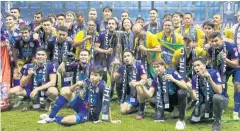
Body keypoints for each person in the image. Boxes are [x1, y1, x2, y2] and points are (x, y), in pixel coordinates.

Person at [37, 66, 121, 125]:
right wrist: (77, 84)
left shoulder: (103, 87)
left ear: (100, 77)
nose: (93, 77)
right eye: (92, 74)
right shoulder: (87, 81)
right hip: (82, 106)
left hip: (88, 114)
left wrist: (111, 120)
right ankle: (50, 117)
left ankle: (55, 119)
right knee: (65, 90)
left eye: (95, 75)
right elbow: (71, 89)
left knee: (66, 121)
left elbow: (107, 104)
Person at [141, 58, 187, 130]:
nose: (156, 69)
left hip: (177, 97)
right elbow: (149, 94)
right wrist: (142, 86)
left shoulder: (172, 72)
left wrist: (174, 80)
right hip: (167, 99)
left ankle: (181, 119)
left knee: (181, 92)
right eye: (154, 67)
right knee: (152, 101)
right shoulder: (156, 78)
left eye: (158, 66)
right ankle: (174, 110)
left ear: (163, 66)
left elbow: (185, 86)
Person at [189, 57, 228, 131]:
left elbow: (219, 91)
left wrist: (209, 79)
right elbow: (195, 98)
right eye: (194, 66)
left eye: (198, 65)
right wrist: (190, 90)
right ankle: (210, 114)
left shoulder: (214, 73)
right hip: (206, 102)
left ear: (204, 65)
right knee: (193, 120)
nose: (196, 67)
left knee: (216, 97)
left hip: (221, 100)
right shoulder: (194, 78)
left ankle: (217, 121)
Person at [208, 32, 240, 120]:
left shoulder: (231, 46)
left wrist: (225, 59)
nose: (214, 43)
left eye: (216, 41)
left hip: (235, 67)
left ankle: (236, 111)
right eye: (212, 41)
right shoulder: (211, 49)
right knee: (221, 85)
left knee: (238, 85)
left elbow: (236, 64)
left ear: (221, 38)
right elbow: (210, 60)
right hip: (222, 68)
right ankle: (222, 105)